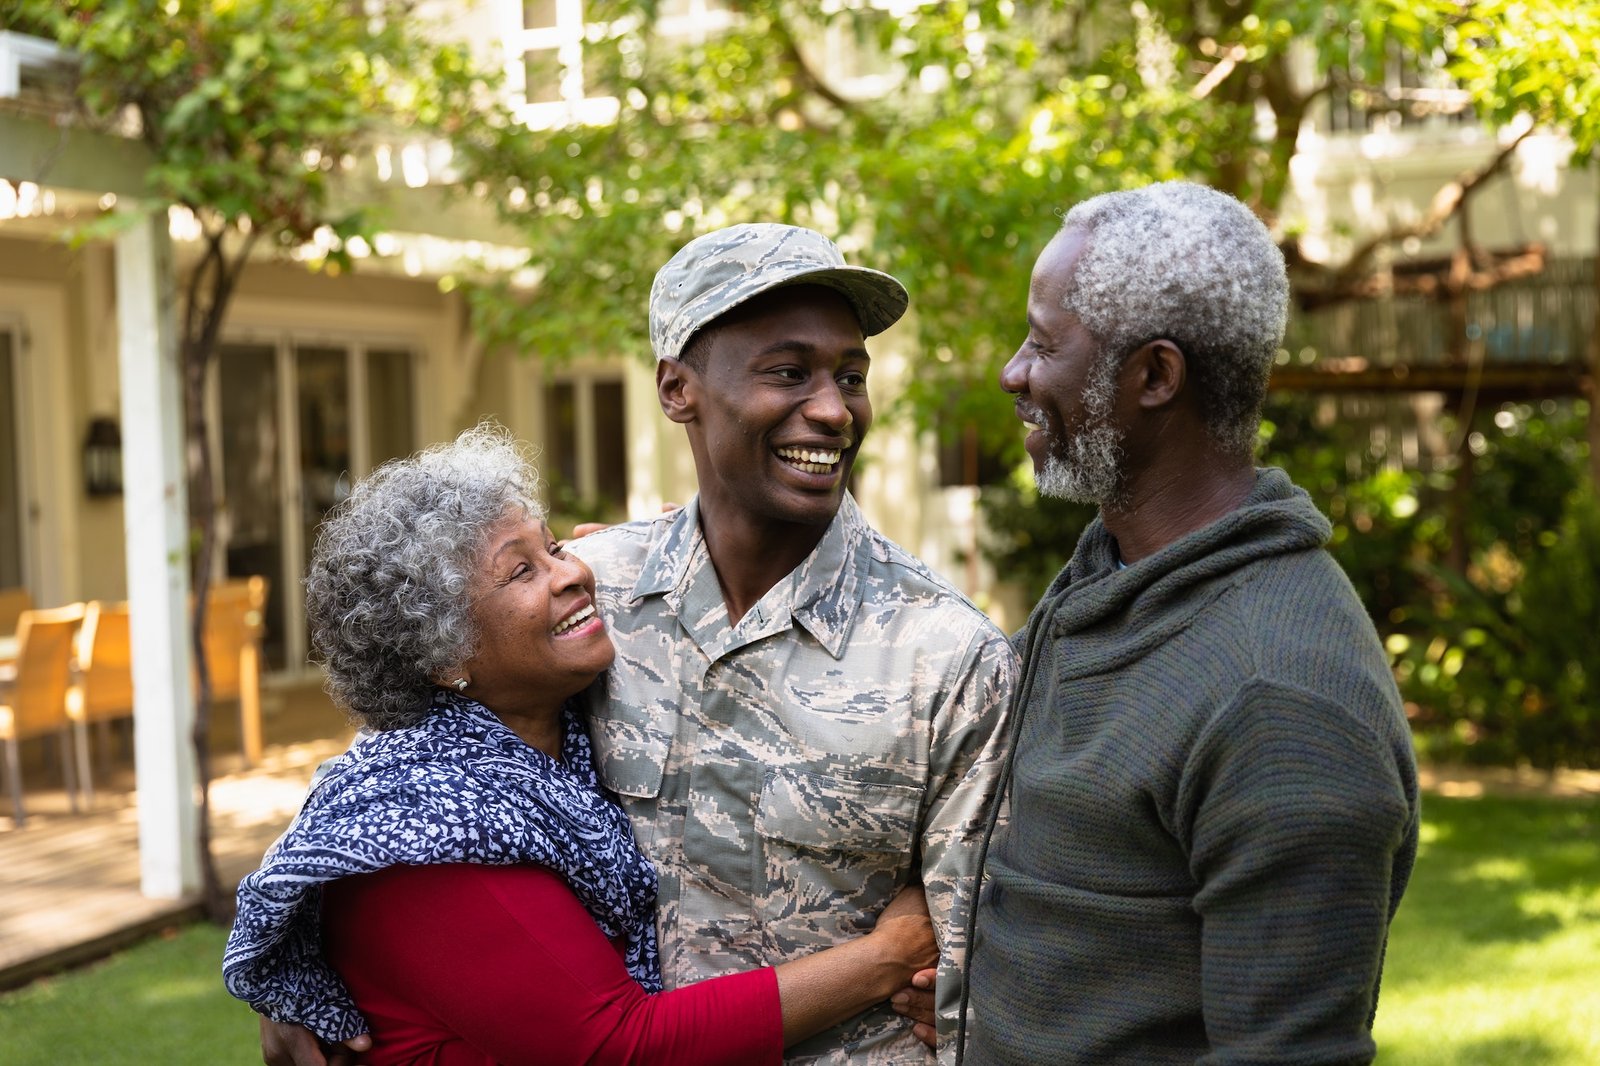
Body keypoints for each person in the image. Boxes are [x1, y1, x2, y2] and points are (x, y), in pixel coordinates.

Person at [225, 424, 941, 1065]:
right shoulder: (424, 833)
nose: (573, 573)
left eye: (555, 545)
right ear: (444, 655)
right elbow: (613, 1045)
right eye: (521, 571)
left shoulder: (549, 732)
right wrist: (887, 958)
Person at [957, 181, 1420, 1065]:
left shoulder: (1278, 702)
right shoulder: (1116, 571)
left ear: (1155, 376)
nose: (1014, 373)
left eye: (1044, 344)